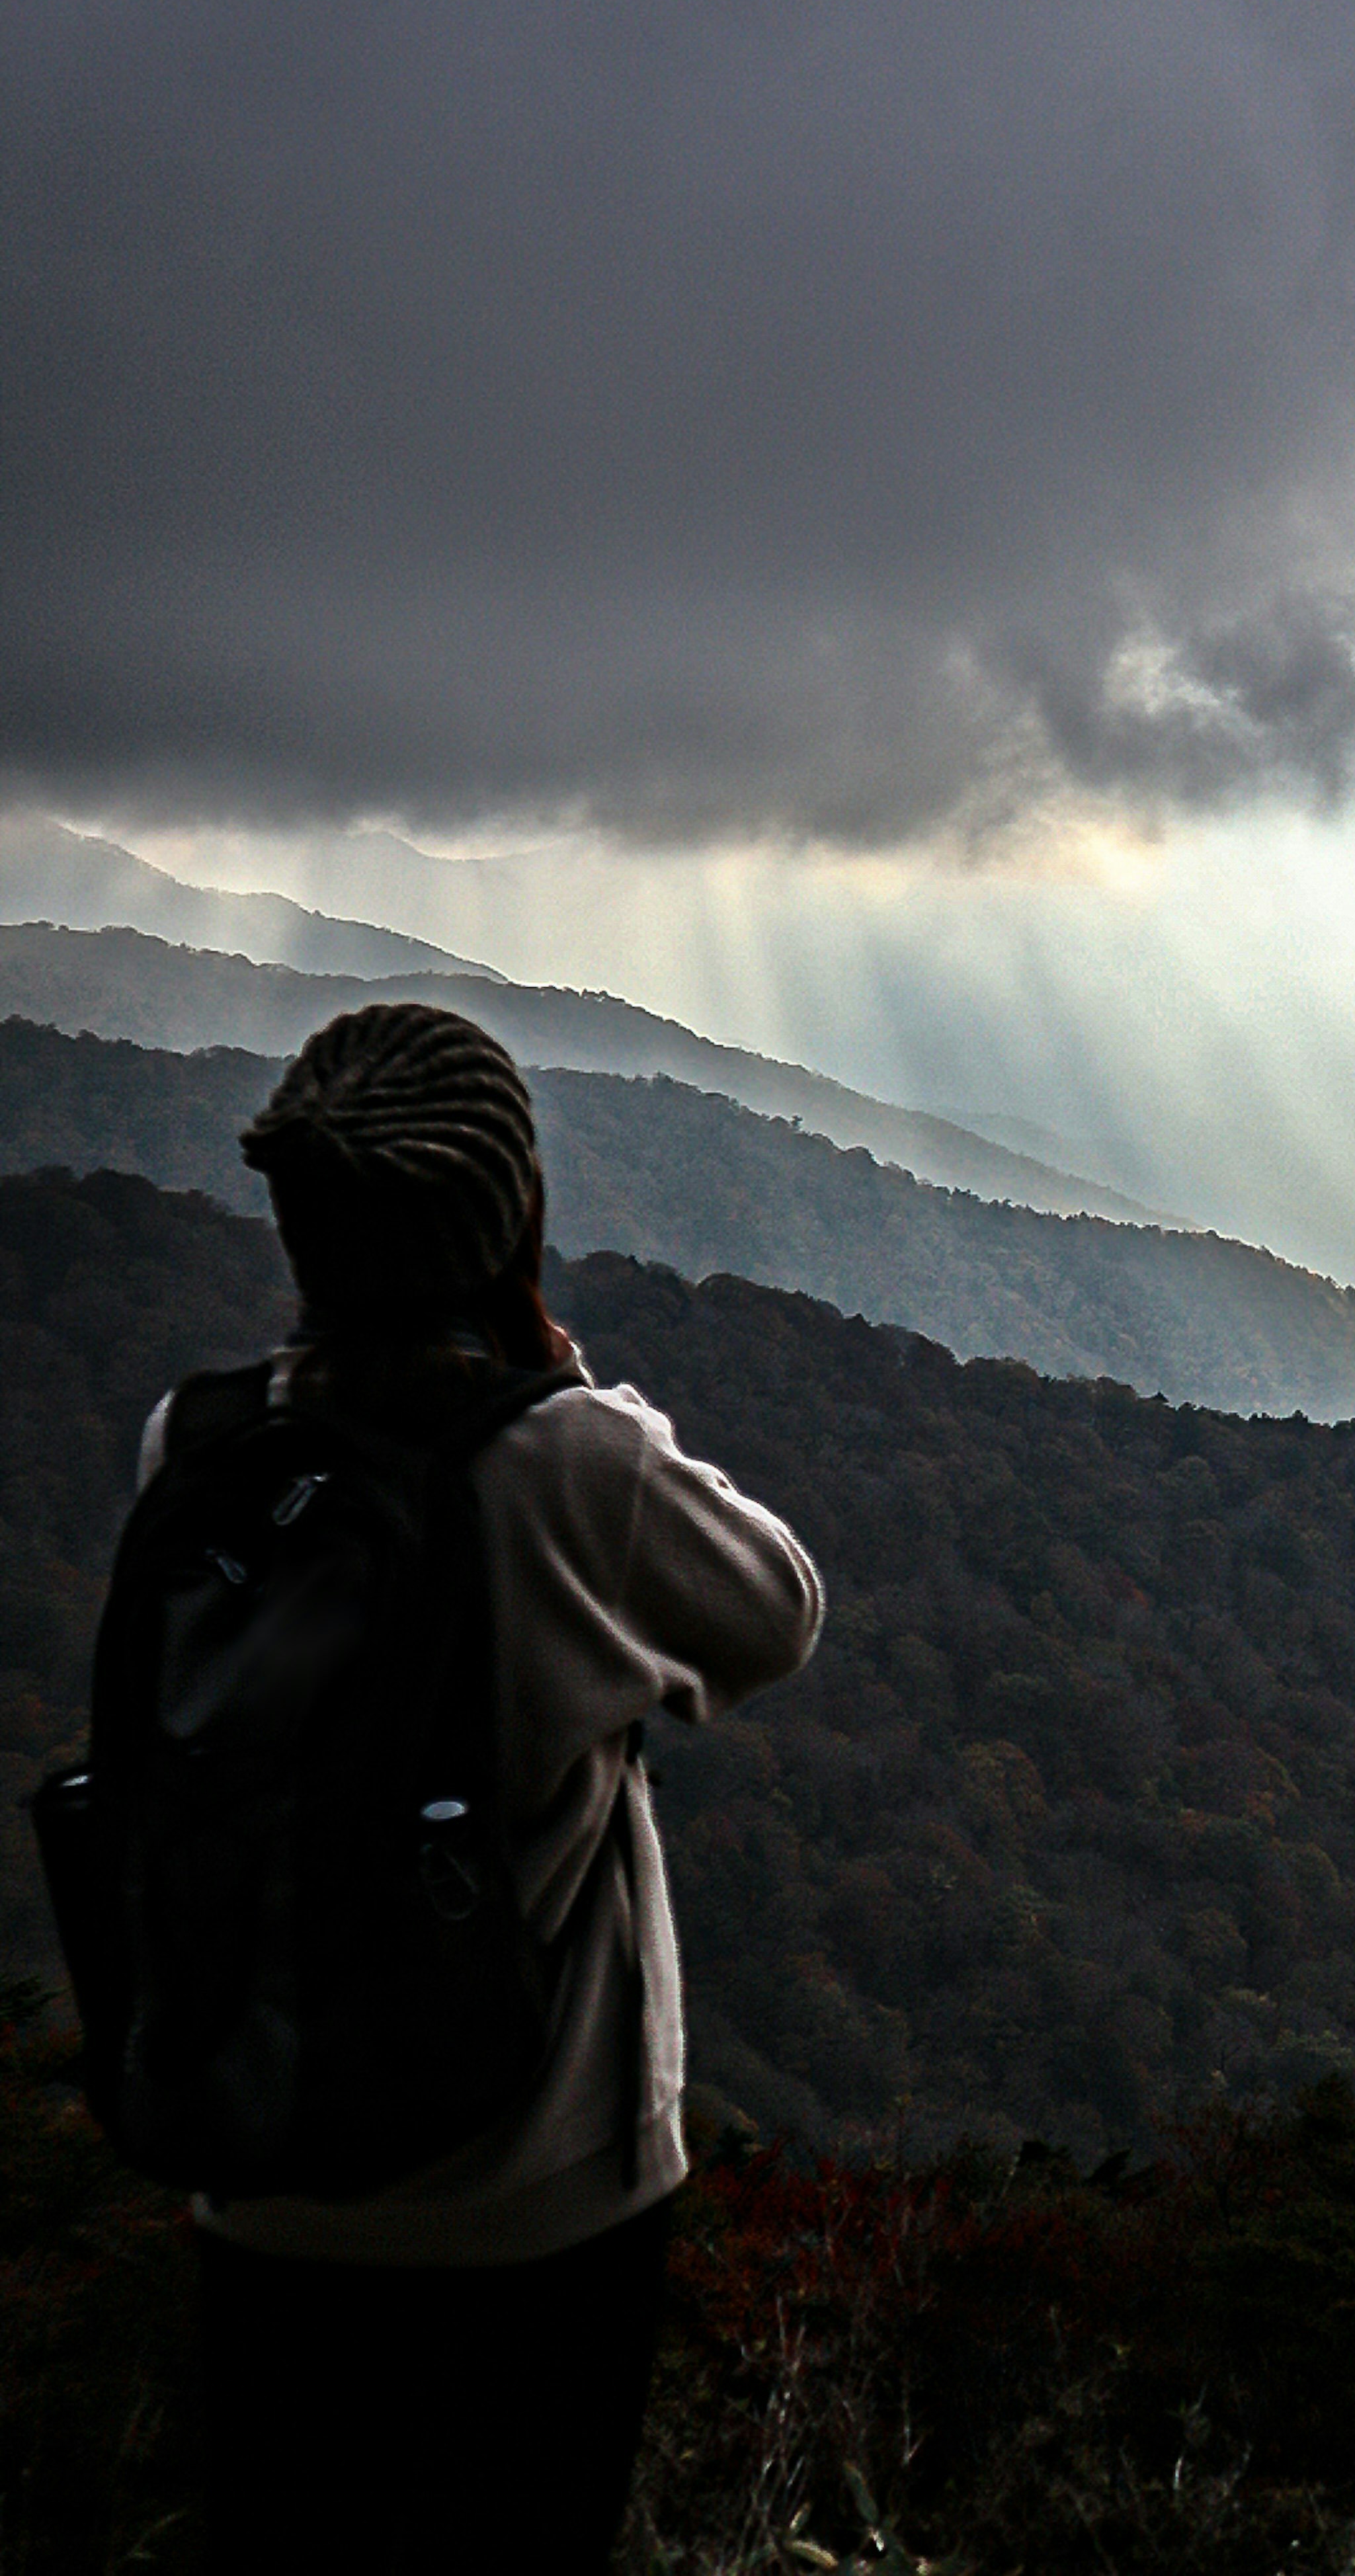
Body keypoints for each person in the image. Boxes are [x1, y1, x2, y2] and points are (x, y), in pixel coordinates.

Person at [167, 1000, 824, 2574]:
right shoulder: (570, 1468)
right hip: (537, 2203)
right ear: (510, 1221)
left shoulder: (188, 1452)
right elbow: (779, 1603)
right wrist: (574, 1378)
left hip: (255, 2171)